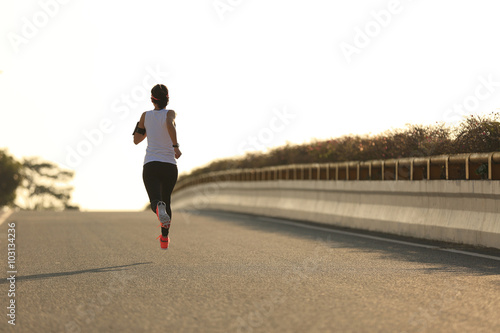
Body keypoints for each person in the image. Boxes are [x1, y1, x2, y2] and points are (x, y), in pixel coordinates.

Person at [133, 84, 182, 250]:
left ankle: (157, 206)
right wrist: (175, 146)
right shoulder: (170, 113)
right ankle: (164, 238)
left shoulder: (145, 116)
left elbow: (136, 140)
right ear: (167, 98)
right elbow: (169, 124)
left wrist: (146, 126)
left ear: (152, 99)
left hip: (151, 165)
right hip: (169, 166)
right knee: (167, 200)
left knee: (156, 199)